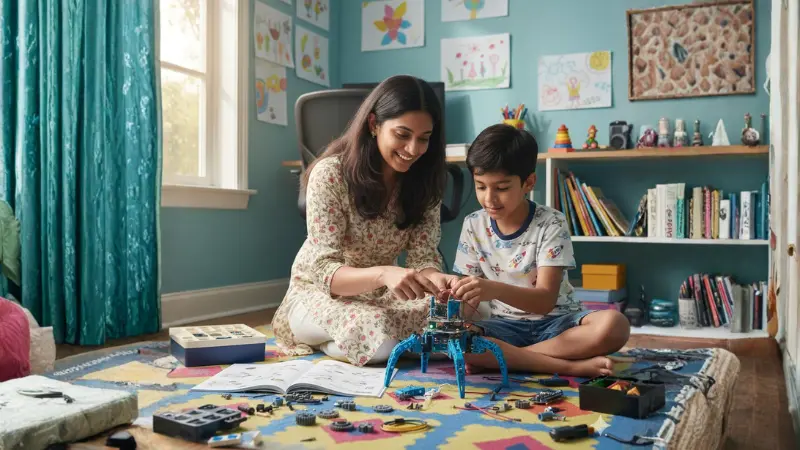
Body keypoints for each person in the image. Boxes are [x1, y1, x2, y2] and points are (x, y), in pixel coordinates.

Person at [272, 75, 458, 367]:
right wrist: (384, 273)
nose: (413, 149)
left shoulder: (423, 183)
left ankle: (368, 342)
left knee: (466, 315)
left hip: (381, 297)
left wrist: (442, 282)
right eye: (402, 134)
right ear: (374, 125)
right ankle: (334, 341)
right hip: (318, 292)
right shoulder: (330, 174)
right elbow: (324, 272)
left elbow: (424, 257)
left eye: (424, 138)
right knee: (380, 341)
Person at [451, 124, 630, 377]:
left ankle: (513, 359)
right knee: (458, 339)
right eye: (481, 186)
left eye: (501, 188)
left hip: (557, 325)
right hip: (504, 327)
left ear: (529, 182)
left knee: (615, 325)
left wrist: (493, 289)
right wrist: (456, 307)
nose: (489, 198)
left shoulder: (551, 222)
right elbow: (468, 304)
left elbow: (545, 301)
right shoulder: (473, 223)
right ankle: (567, 366)